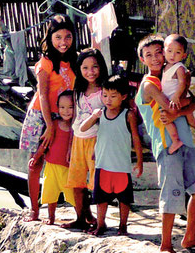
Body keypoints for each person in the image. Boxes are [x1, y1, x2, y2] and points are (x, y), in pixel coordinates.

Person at [134, 34, 195, 253]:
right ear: (142, 60)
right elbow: (172, 108)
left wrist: (180, 107)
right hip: (167, 144)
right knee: (171, 192)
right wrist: (181, 107)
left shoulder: (171, 78)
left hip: (186, 141)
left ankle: (190, 236)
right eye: (148, 55)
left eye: (159, 52)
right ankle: (165, 244)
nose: (156, 58)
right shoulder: (149, 84)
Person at [18, 15, 77, 221]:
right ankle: (34, 210)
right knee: (36, 162)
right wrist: (49, 126)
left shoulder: (74, 61)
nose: (63, 42)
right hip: (41, 116)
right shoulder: (46, 62)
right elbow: (42, 94)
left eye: (68, 37)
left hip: (65, 115)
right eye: (58, 36)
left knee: (64, 160)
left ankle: (79, 210)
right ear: (49, 37)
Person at [80, 75, 143, 236]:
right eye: (105, 95)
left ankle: (123, 226)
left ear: (123, 97)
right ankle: (101, 225)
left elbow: (136, 138)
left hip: (121, 165)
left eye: (113, 96)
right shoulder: (100, 113)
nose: (108, 99)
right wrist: (93, 116)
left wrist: (140, 161)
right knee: (101, 199)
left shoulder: (128, 115)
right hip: (102, 164)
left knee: (124, 199)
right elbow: (82, 128)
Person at [64, 48, 109, 230]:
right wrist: (69, 146)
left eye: (94, 67)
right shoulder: (78, 90)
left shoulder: (105, 90)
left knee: (96, 183)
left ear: (101, 67)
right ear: (79, 69)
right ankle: (80, 217)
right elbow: (75, 117)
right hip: (78, 139)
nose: (90, 72)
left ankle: (101, 221)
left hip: (97, 140)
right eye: (85, 68)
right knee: (77, 181)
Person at [27, 91, 76, 225]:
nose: (66, 111)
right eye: (62, 107)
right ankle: (51, 217)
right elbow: (45, 144)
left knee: (73, 194)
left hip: (67, 167)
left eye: (70, 107)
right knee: (50, 193)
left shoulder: (75, 127)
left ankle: (80, 217)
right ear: (57, 107)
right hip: (51, 166)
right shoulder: (54, 124)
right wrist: (36, 157)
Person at [162, 34, 195, 151]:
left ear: (184, 55)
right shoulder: (165, 67)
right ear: (164, 52)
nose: (173, 55)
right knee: (191, 120)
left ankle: (176, 140)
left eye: (177, 53)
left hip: (179, 98)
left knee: (164, 115)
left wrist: (176, 96)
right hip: (176, 97)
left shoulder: (179, 68)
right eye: (170, 51)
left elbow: (182, 83)